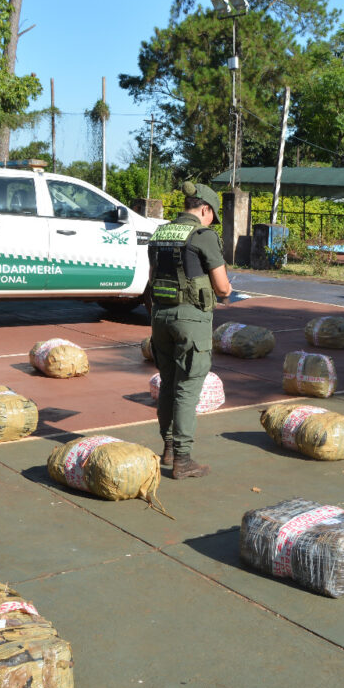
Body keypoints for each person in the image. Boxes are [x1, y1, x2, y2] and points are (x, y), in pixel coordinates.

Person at [147, 181, 233, 478]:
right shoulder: (203, 235)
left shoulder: (160, 232)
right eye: (213, 216)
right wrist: (227, 290)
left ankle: (169, 448)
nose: (213, 222)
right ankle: (183, 460)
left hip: (160, 317)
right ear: (205, 209)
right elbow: (221, 287)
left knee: (169, 383)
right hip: (191, 320)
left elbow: (151, 278)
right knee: (187, 388)